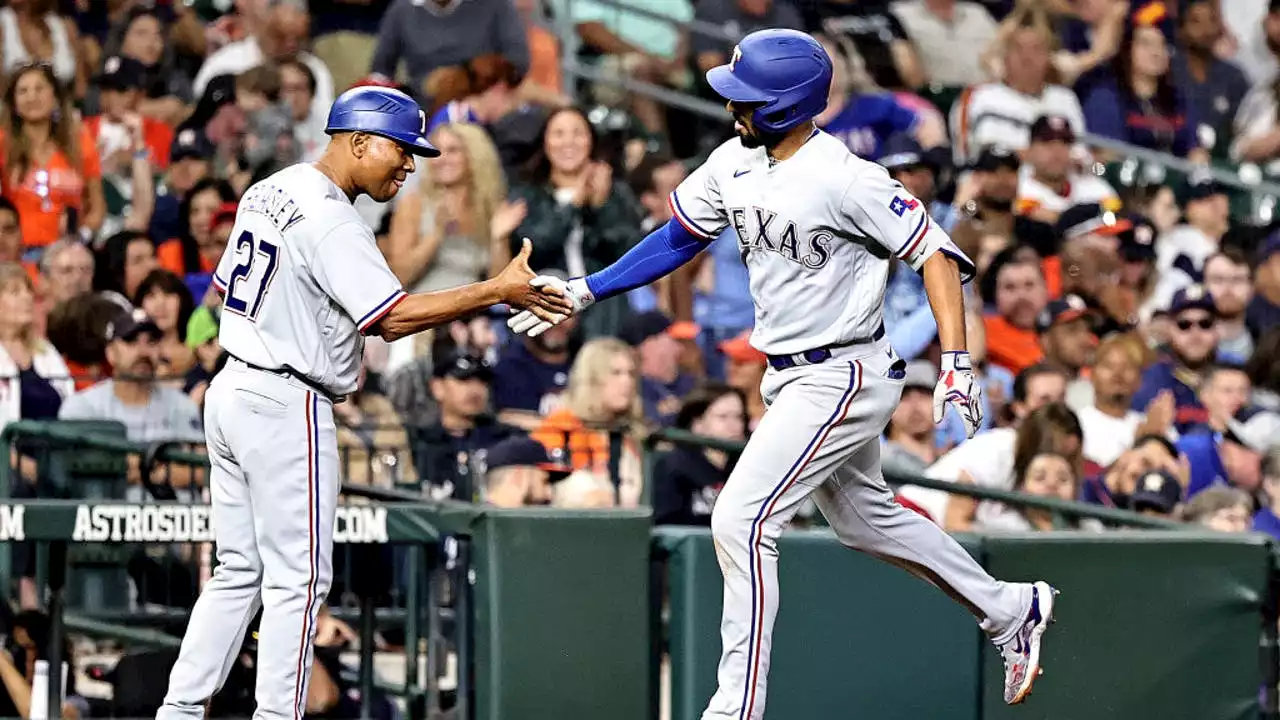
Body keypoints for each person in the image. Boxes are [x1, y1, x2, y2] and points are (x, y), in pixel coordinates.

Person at [507, 29, 1055, 714]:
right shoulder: (734, 160)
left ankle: (736, 708)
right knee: (865, 521)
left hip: (846, 369)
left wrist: (954, 362)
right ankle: (1010, 609)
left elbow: (936, 254)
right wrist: (588, 288)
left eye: (749, 98)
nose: (734, 107)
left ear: (788, 105)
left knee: (741, 519)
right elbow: (679, 236)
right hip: (790, 374)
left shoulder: (848, 176)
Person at [155, 85, 570, 720]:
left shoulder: (271, 187)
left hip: (233, 386)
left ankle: (179, 712)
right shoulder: (332, 218)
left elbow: (225, 290)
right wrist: (496, 289)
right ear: (357, 141)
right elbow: (393, 319)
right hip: (285, 398)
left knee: (239, 569)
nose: (409, 166)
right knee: (299, 580)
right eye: (400, 151)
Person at [0, 63, 104, 250]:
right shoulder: (2, 144)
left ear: (55, 97)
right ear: (13, 104)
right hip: (16, 255)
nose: (32, 97)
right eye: (22, 91)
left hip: (65, 255)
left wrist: (79, 239)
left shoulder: (81, 142)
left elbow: (97, 208)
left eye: (39, 88)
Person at [651, 383, 747, 525]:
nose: (733, 425)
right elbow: (666, 526)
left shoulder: (749, 468)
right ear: (698, 423)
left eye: (738, 417)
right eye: (723, 417)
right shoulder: (674, 466)